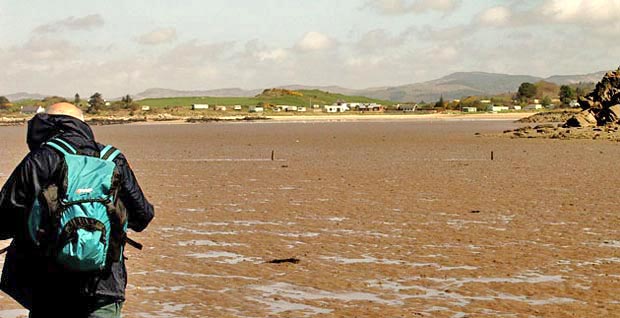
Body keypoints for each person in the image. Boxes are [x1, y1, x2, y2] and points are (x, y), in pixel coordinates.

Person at [0, 102, 154, 317]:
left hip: (48, 289)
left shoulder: (41, 158)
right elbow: (143, 217)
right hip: (105, 286)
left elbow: (3, 221)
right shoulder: (112, 158)